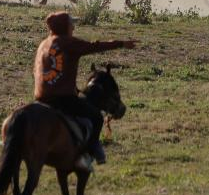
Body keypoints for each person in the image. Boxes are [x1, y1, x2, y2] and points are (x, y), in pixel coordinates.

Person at [34, 11, 136, 170]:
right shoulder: (67, 42)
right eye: (71, 24)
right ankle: (86, 155)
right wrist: (121, 43)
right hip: (62, 99)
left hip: (41, 98)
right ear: (65, 27)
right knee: (96, 117)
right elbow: (94, 46)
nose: (73, 27)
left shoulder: (44, 44)